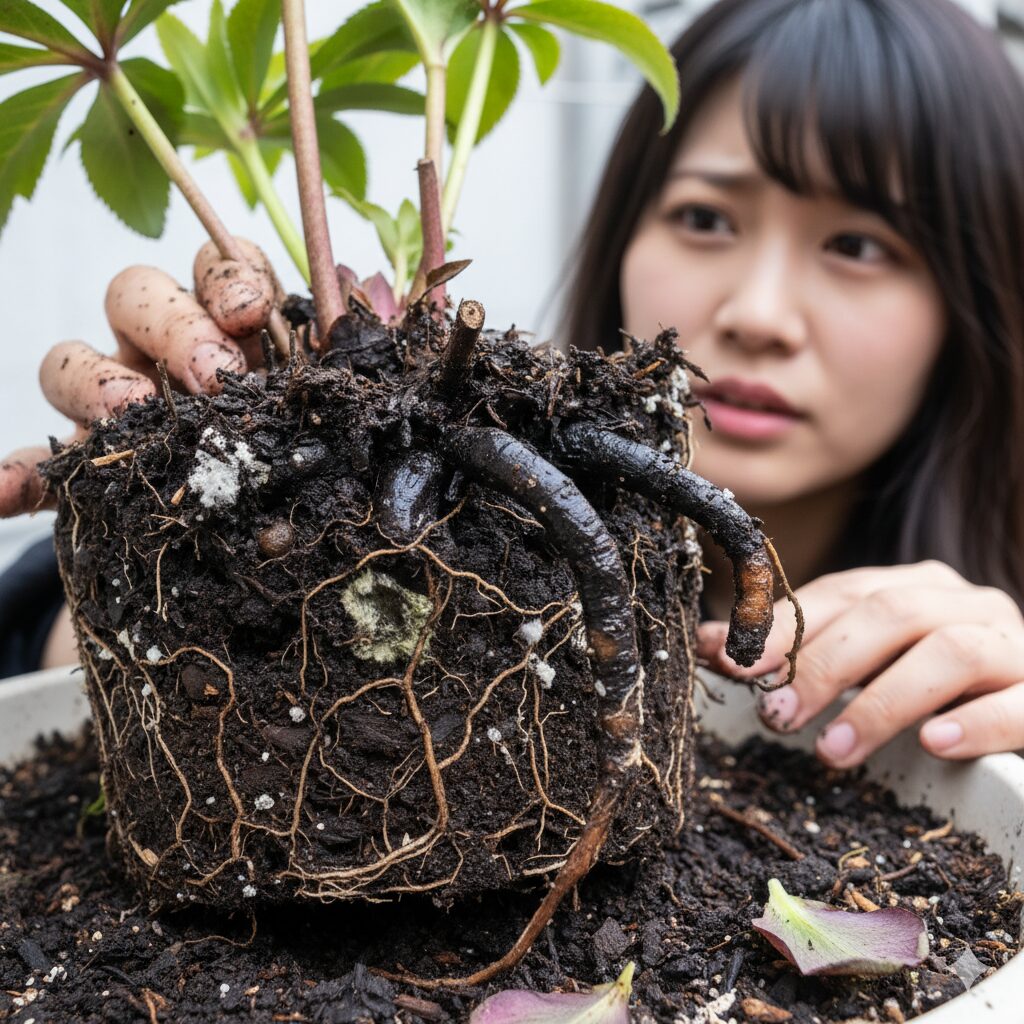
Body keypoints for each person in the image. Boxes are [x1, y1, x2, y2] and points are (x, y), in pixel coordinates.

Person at [3, 0, 1023, 768]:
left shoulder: (997, 649)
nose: (758, 311)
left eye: (857, 243)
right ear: (626, 226)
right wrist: (156, 548)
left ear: (980, 293)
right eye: (707, 217)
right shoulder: (460, 514)